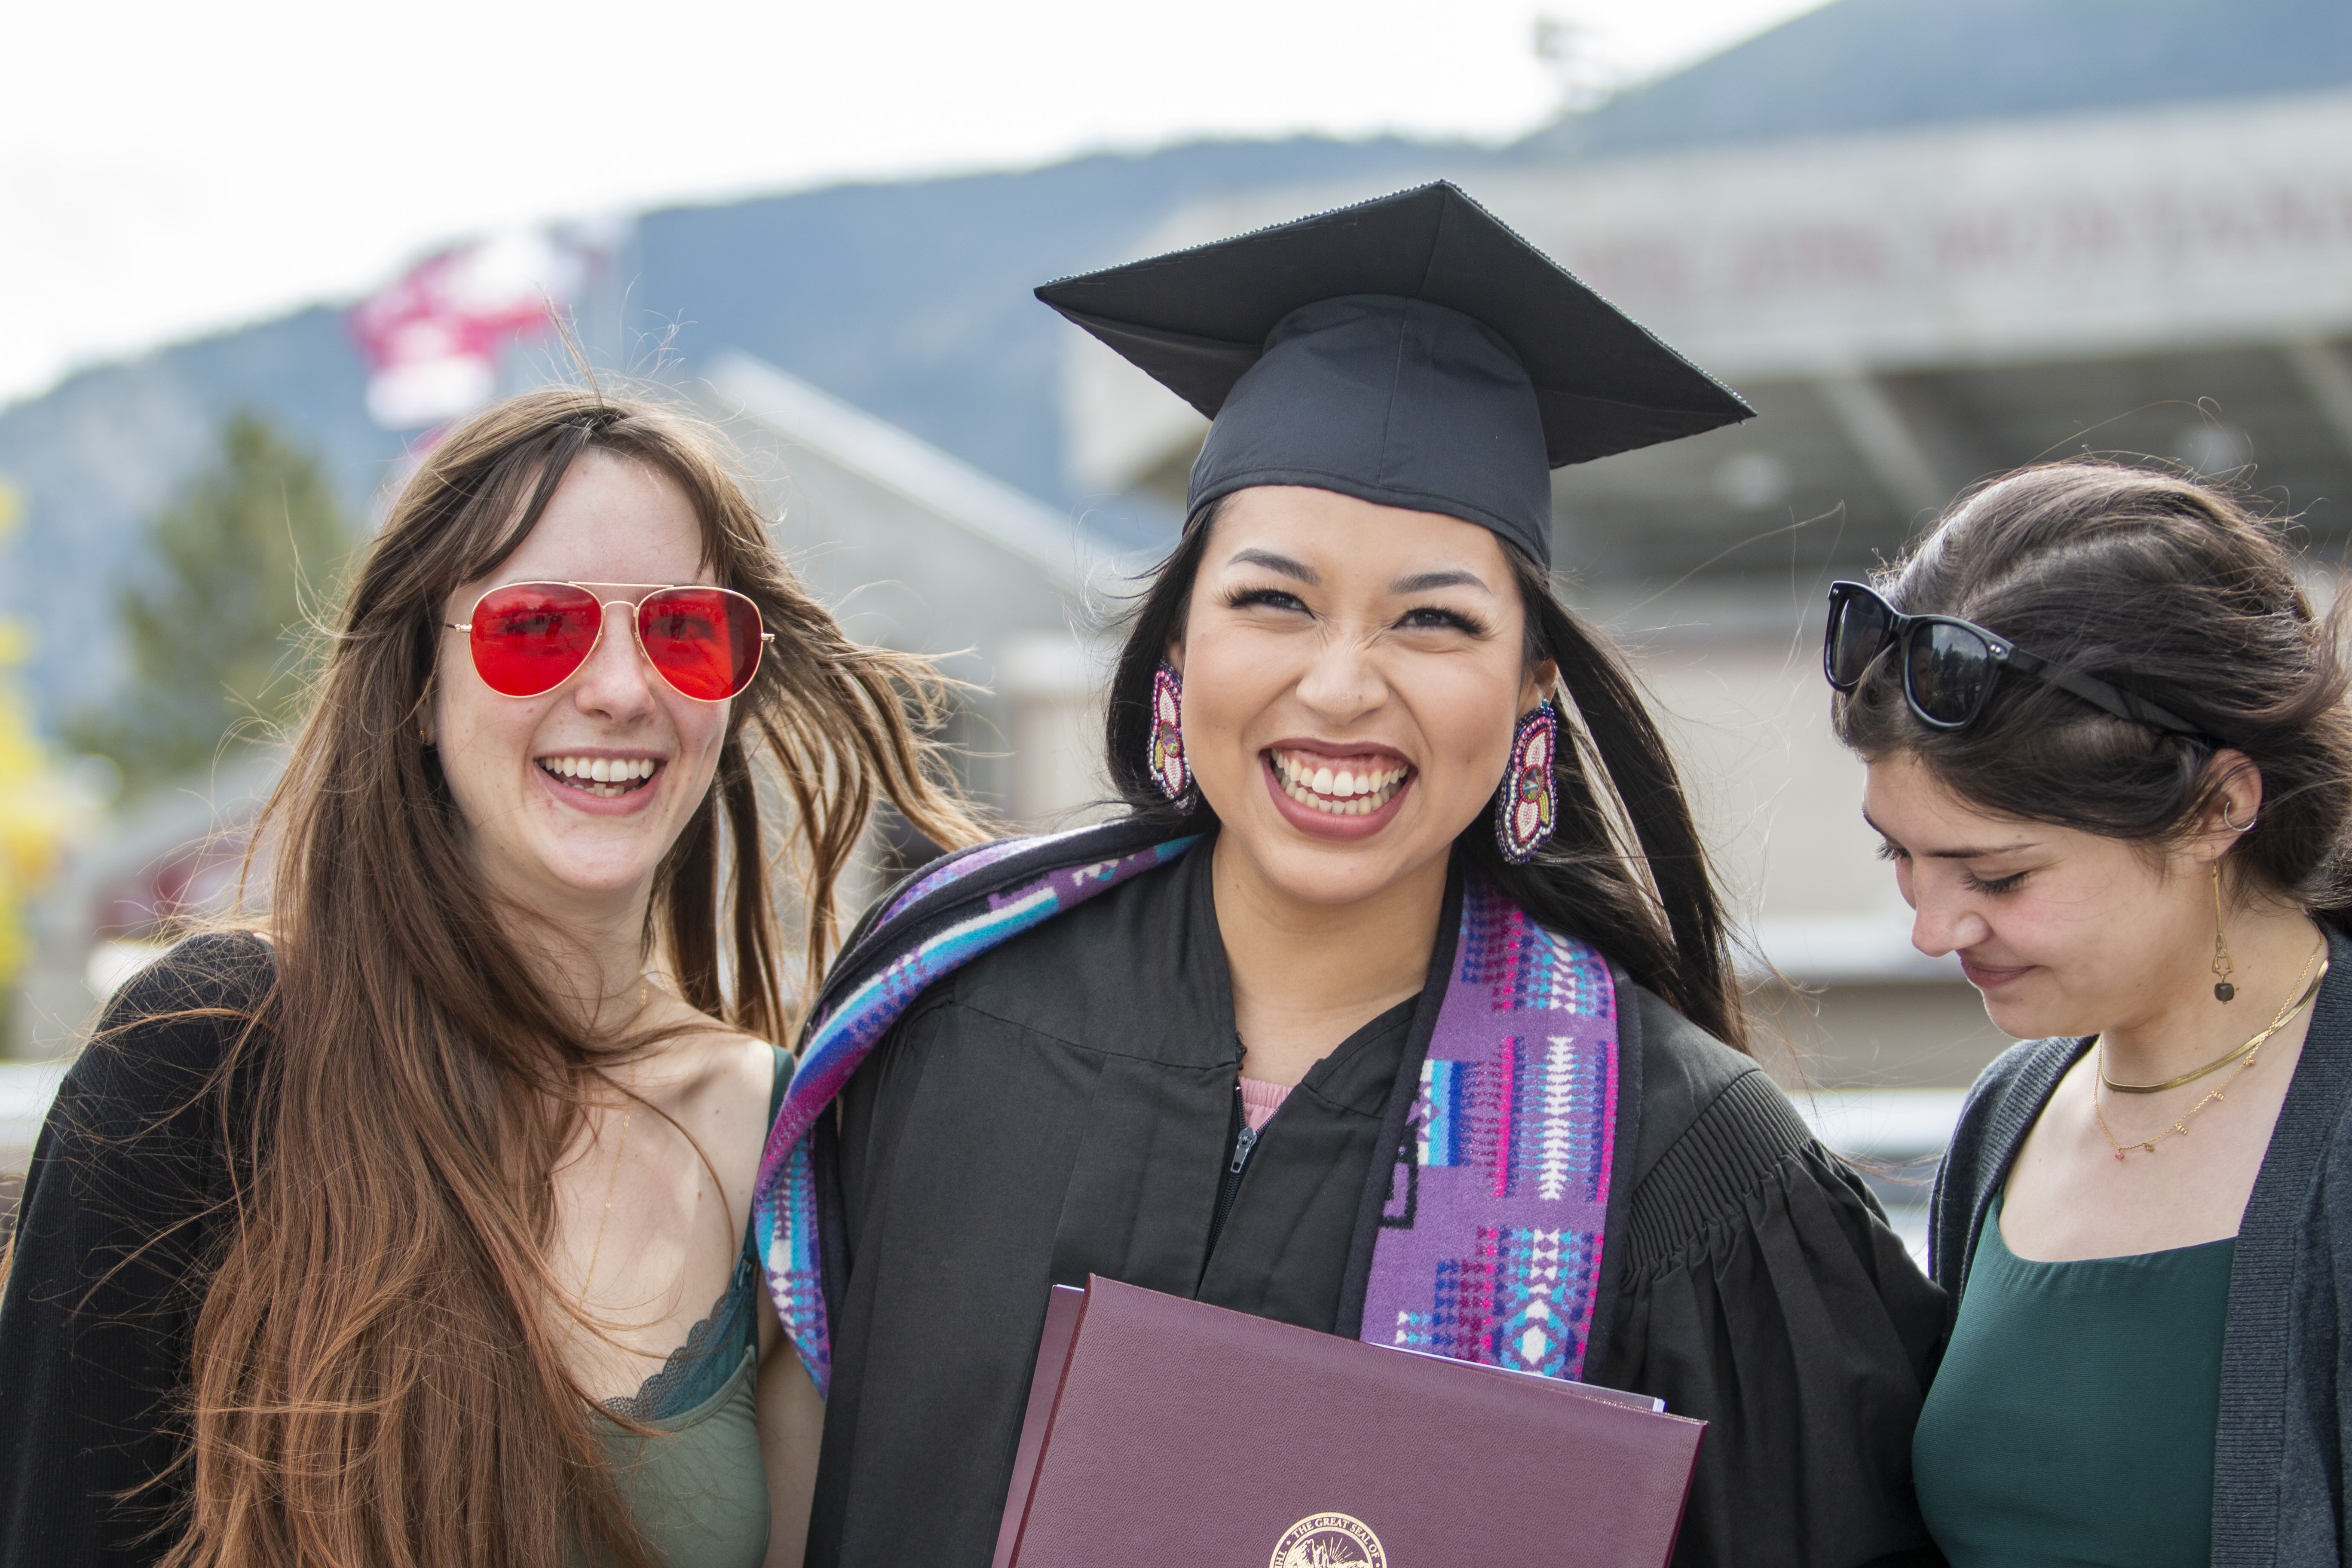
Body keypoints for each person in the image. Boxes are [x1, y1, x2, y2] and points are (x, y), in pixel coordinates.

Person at [753, 184, 1945, 1568]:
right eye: (1274, 601)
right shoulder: (939, 1017)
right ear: (1178, 643)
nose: (1341, 685)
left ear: (1530, 689)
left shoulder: (1674, 1156)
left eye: (1434, 621)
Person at [0, 388, 980, 1568]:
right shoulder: (208, 1056)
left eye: (683, 630)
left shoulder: (782, 1136)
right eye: (537, 629)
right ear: (417, 684)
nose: (622, 689)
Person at [1826, 461, 2352, 1566]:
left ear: (2219, 808)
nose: (1933, 928)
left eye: (1999, 876)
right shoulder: (2014, 1106)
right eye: (1900, 856)